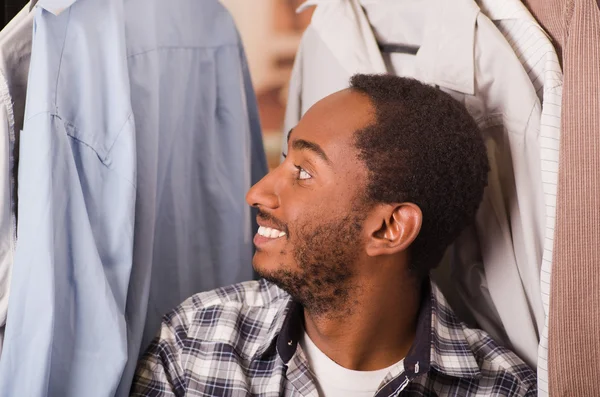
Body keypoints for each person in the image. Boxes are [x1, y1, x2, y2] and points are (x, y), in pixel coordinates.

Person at [130, 74, 537, 397]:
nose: (257, 192)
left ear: (389, 228)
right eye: (284, 158)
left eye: (303, 172)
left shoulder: (503, 388)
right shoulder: (196, 340)